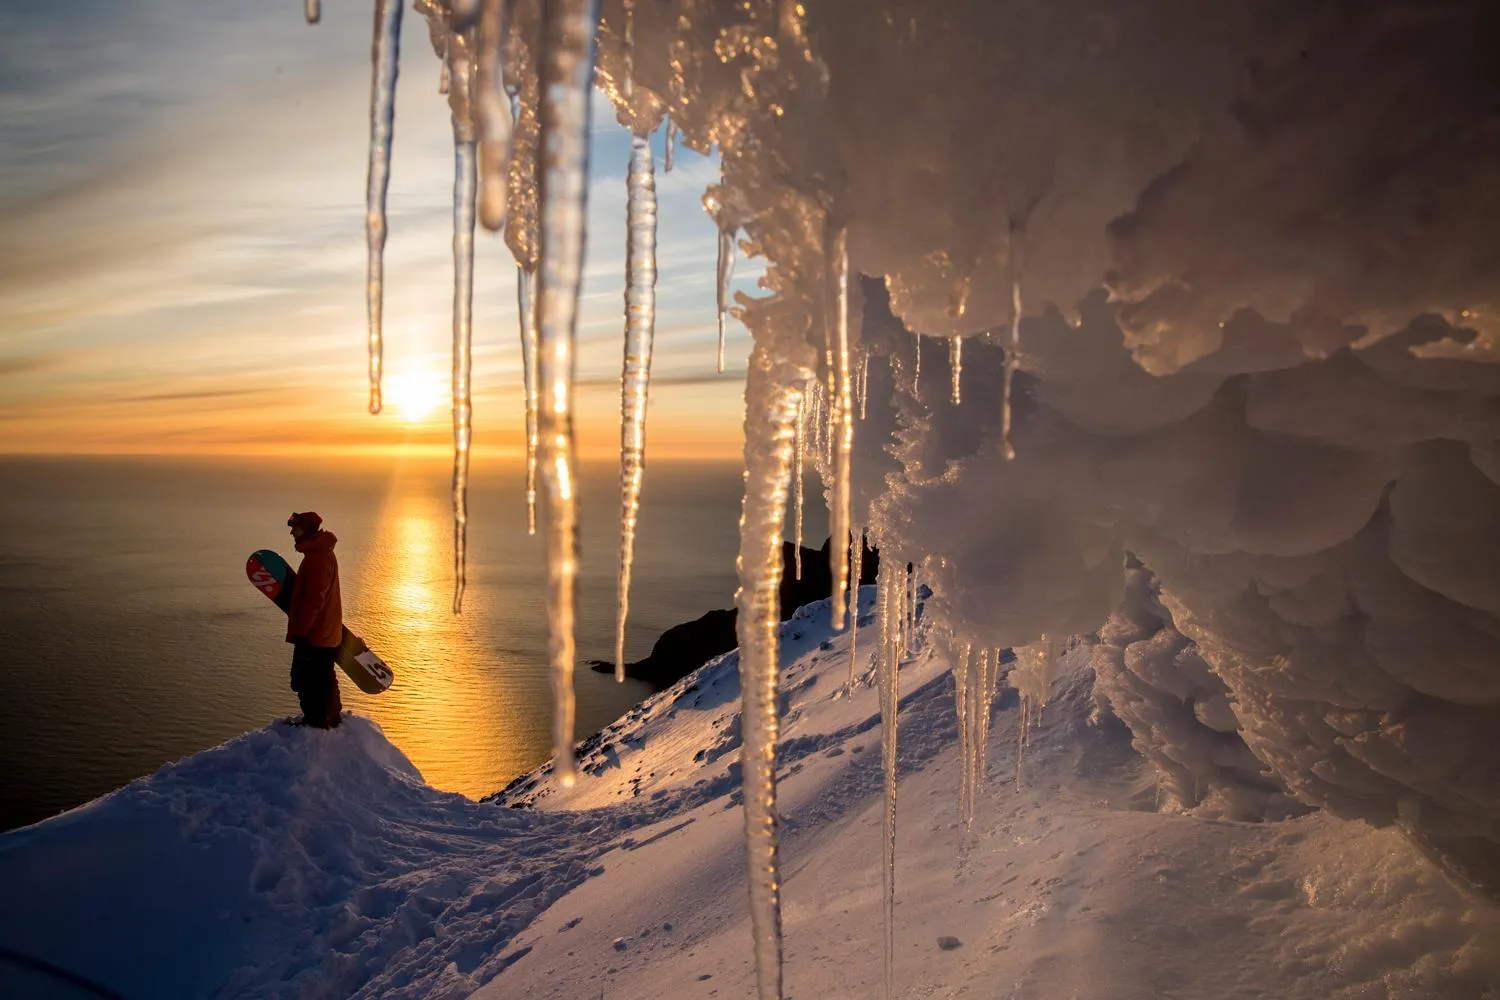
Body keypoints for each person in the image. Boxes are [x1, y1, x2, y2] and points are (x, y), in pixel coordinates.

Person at [286, 511, 343, 729]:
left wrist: (301, 632)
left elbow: (314, 600)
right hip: (325, 632)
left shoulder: (317, 557)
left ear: (307, 530)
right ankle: (330, 716)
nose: (292, 532)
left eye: (296, 528)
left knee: (307, 678)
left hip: (315, 634)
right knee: (323, 675)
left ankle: (316, 722)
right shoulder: (320, 552)